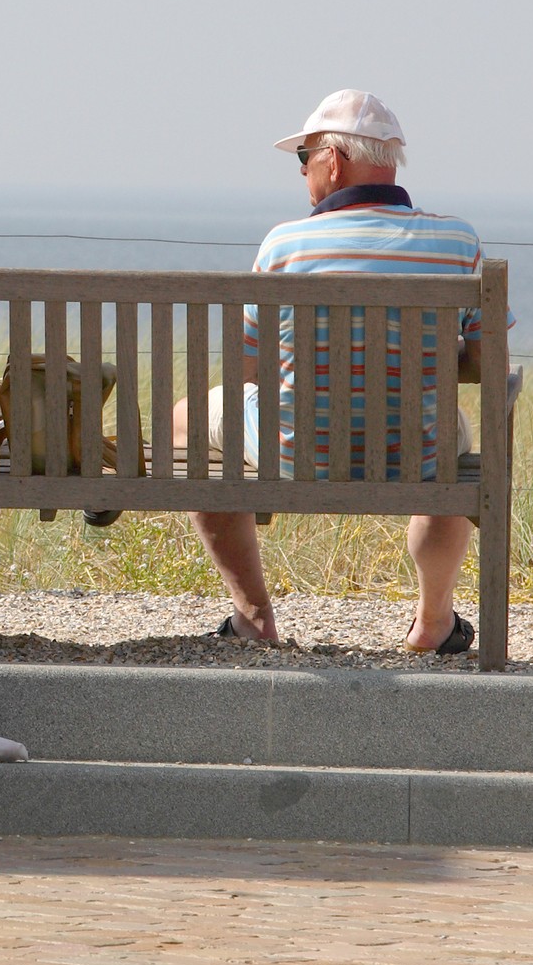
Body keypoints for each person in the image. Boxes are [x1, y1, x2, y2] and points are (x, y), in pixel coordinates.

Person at [175, 90, 512, 654]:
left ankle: (253, 616)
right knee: (449, 445)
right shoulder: (458, 242)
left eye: (303, 157)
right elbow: (485, 361)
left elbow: (246, 373)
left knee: (189, 419)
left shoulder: (284, 245)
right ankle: (434, 622)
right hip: (415, 454)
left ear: (332, 160)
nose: (302, 170)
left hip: (295, 452)